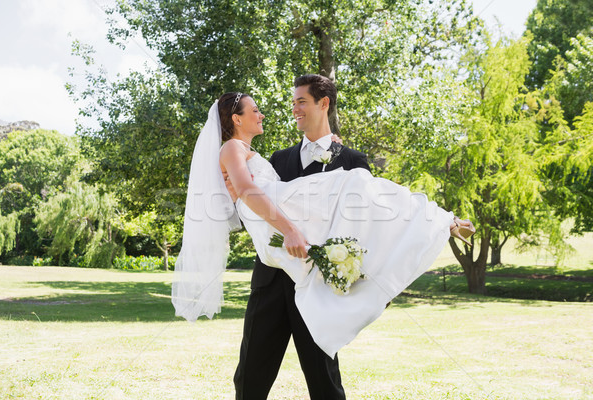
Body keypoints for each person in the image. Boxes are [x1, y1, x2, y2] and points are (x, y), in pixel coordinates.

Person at [171, 75, 475, 400]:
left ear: (323, 104)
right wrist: (241, 199)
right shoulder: (277, 159)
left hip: (320, 283)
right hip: (271, 280)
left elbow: (369, 218)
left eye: (301, 102)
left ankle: (441, 221)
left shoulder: (351, 160)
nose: (293, 110)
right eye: (294, 103)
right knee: (251, 375)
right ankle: (444, 221)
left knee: (324, 382)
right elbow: (262, 212)